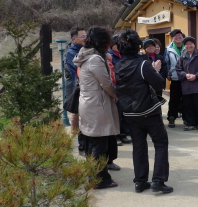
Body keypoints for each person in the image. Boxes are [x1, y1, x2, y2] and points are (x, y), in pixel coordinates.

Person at [115, 30, 173, 194]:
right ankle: (158, 181)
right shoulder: (142, 64)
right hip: (148, 110)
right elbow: (159, 84)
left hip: (129, 112)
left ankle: (140, 182)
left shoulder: (118, 65)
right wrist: (154, 70)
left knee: (138, 146)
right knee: (160, 143)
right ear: (138, 47)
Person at [73, 26, 119, 189]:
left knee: (93, 142)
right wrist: (115, 94)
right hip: (96, 105)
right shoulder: (95, 59)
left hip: (88, 103)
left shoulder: (85, 56)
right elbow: (105, 82)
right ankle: (100, 178)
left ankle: (93, 174)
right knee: (99, 143)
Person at [176, 36, 198, 132]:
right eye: (187, 44)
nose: (189, 46)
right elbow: (178, 69)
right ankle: (191, 123)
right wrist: (185, 75)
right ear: (184, 46)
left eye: (191, 44)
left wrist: (196, 76)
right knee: (188, 106)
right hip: (187, 86)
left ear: (194, 45)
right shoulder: (183, 56)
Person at [64, 27, 86, 152]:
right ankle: (79, 144)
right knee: (77, 115)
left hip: (82, 88)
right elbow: (80, 68)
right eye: (82, 36)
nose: (85, 38)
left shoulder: (84, 50)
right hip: (77, 88)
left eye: (85, 36)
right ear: (74, 39)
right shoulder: (71, 53)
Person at [165, 29, 185, 128]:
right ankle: (172, 117)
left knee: (187, 99)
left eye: (179, 35)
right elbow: (166, 62)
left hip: (186, 77)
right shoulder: (168, 49)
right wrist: (168, 73)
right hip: (175, 77)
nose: (178, 37)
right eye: (175, 36)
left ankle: (187, 118)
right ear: (172, 38)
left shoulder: (188, 46)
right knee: (174, 99)